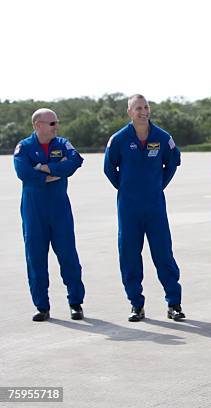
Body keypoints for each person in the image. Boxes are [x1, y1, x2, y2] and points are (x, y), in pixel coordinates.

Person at [104, 94, 185, 322]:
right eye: (138, 108)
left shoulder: (162, 137)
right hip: (129, 207)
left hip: (154, 205)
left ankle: (174, 303)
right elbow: (109, 168)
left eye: (146, 107)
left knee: (163, 253)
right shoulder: (119, 139)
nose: (143, 111)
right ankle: (136, 304)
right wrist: (126, 188)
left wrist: (159, 185)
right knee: (129, 254)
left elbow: (172, 162)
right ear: (129, 112)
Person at [13, 108, 86, 321]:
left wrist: (45, 168)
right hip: (33, 211)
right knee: (35, 258)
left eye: (57, 122)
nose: (56, 126)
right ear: (37, 125)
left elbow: (75, 161)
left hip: (60, 209)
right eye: (52, 123)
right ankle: (42, 306)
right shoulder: (24, 147)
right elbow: (23, 173)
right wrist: (55, 172)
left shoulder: (62, 144)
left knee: (68, 256)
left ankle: (75, 303)